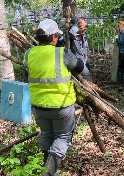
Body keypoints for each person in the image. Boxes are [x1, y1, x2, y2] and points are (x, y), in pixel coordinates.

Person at [27, 18, 86, 176]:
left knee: (47, 134)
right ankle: (48, 173)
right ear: (54, 36)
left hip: (38, 105)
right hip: (61, 105)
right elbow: (80, 66)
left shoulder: (28, 54)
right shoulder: (61, 53)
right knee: (62, 137)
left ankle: (49, 171)